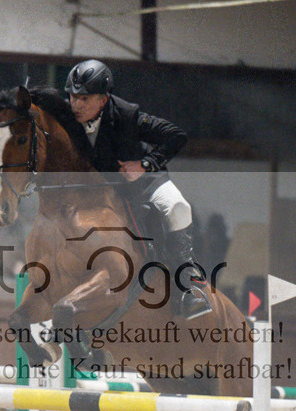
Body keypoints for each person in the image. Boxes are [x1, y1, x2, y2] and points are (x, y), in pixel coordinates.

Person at [64, 59, 209, 319]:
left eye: (85, 99)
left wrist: (145, 164)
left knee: (178, 208)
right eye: (73, 97)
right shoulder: (66, 119)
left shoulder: (127, 116)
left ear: (103, 99)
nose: (77, 105)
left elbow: (176, 135)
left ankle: (187, 288)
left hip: (143, 185)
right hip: (101, 194)